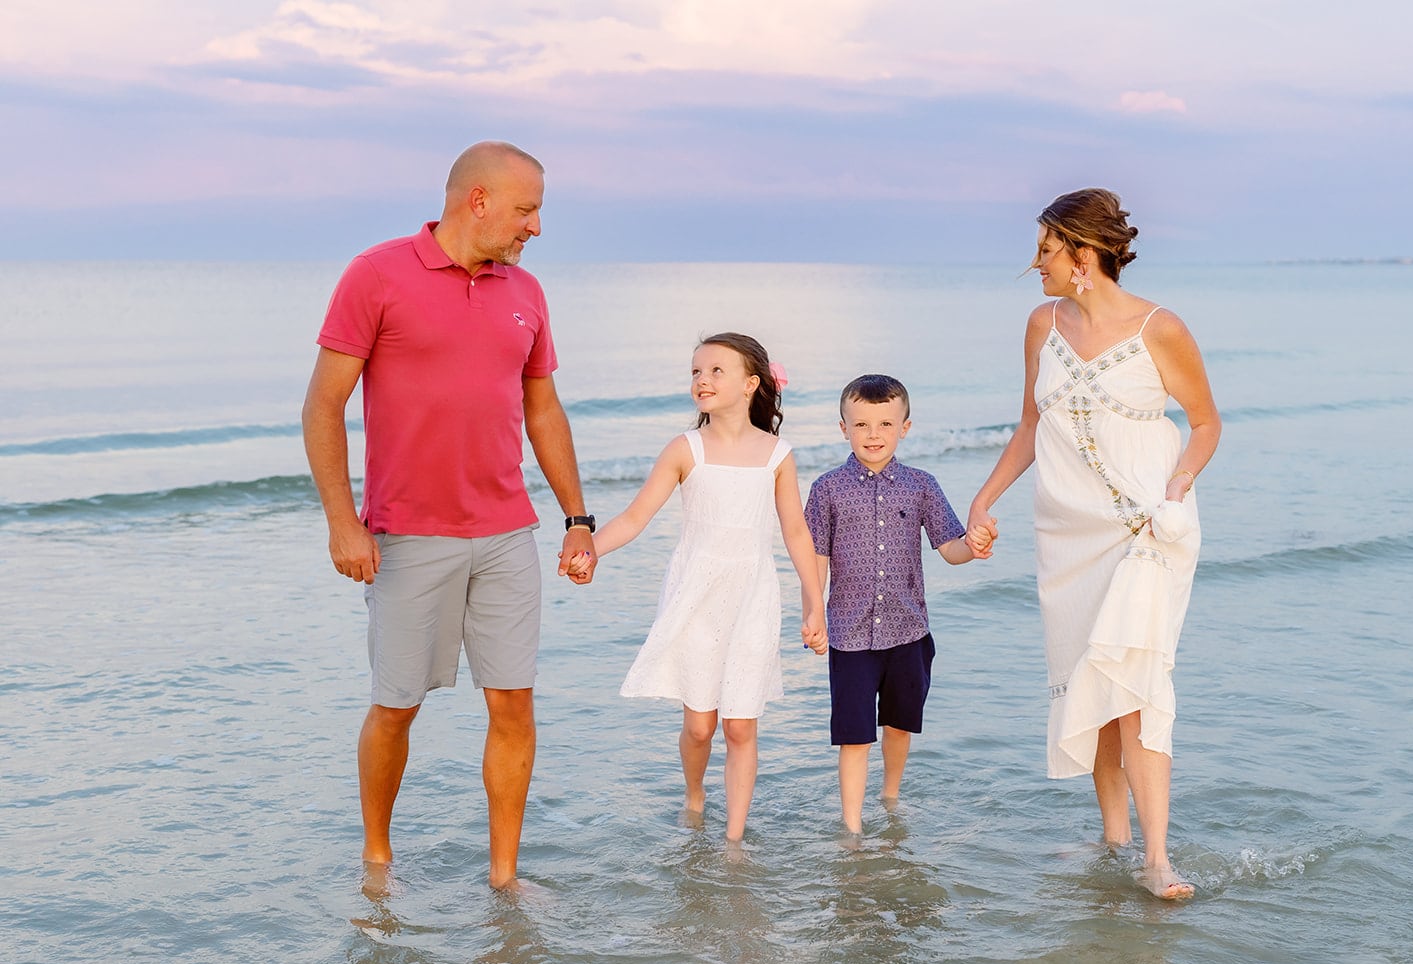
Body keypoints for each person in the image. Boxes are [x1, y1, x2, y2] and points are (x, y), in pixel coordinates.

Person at [301, 141, 596, 893]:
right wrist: (343, 520)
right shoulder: (376, 274)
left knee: (514, 705)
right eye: (527, 210)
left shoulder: (526, 291)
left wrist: (577, 517)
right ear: (479, 200)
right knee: (395, 707)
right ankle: (377, 857)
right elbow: (323, 404)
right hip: (408, 534)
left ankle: (504, 878)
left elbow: (543, 407)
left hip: (505, 534)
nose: (535, 227)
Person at [966, 188, 1221, 900]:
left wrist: (1177, 485)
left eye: (1045, 249)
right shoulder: (1040, 325)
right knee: (1094, 684)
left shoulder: (1159, 329)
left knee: (1135, 684)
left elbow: (1205, 423)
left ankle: (1157, 856)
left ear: (1083, 255)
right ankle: (1114, 837)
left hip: (1146, 530)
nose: (1035, 263)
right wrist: (985, 497)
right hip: (1066, 533)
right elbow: (1028, 426)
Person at [566, 333, 827, 843]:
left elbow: (796, 532)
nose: (701, 381)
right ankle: (693, 792)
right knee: (702, 727)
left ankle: (733, 839)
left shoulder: (778, 454)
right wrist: (591, 547)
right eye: (694, 372)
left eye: (714, 371)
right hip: (697, 597)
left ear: (752, 384)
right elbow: (637, 516)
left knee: (740, 727)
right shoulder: (685, 449)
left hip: (753, 597)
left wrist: (815, 602)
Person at [803, 374, 992, 837]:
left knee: (899, 725)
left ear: (904, 427)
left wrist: (976, 545)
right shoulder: (827, 489)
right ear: (842, 427)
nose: (873, 434)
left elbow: (950, 547)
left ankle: (890, 797)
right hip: (849, 634)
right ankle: (851, 828)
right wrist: (812, 611)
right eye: (862, 424)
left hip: (909, 632)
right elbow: (815, 560)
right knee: (854, 734)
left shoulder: (921, 485)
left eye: (885, 423)